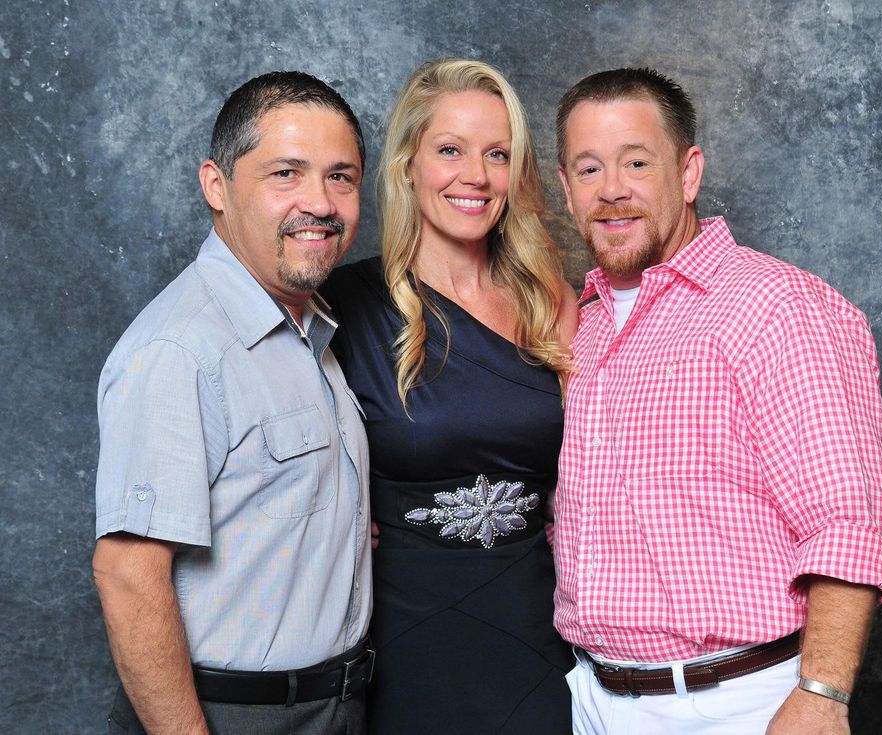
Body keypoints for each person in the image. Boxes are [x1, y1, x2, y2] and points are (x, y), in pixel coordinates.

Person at [552, 67, 882, 735]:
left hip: (740, 703)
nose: (613, 189)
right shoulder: (580, 326)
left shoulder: (778, 308)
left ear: (688, 173)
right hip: (593, 698)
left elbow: (845, 523)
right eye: (589, 168)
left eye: (636, 161)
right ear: (566, 190)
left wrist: (822, 692)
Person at [92, 71, 373, 735]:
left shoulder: (313, 331)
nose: (320, 202)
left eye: (341, 176)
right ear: (217, 186)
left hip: (336, 705)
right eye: (286, 173)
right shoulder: (180, 348)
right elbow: (129, 575)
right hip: (231, 714)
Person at [320, 58, 578, 734]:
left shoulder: (550, 300)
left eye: (498, 154)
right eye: (450, 150)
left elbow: (608, 458)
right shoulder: (344, 305)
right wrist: (335, 514)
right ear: (408, 163)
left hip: (535, 622)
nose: (477, 175)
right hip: (408, 632)